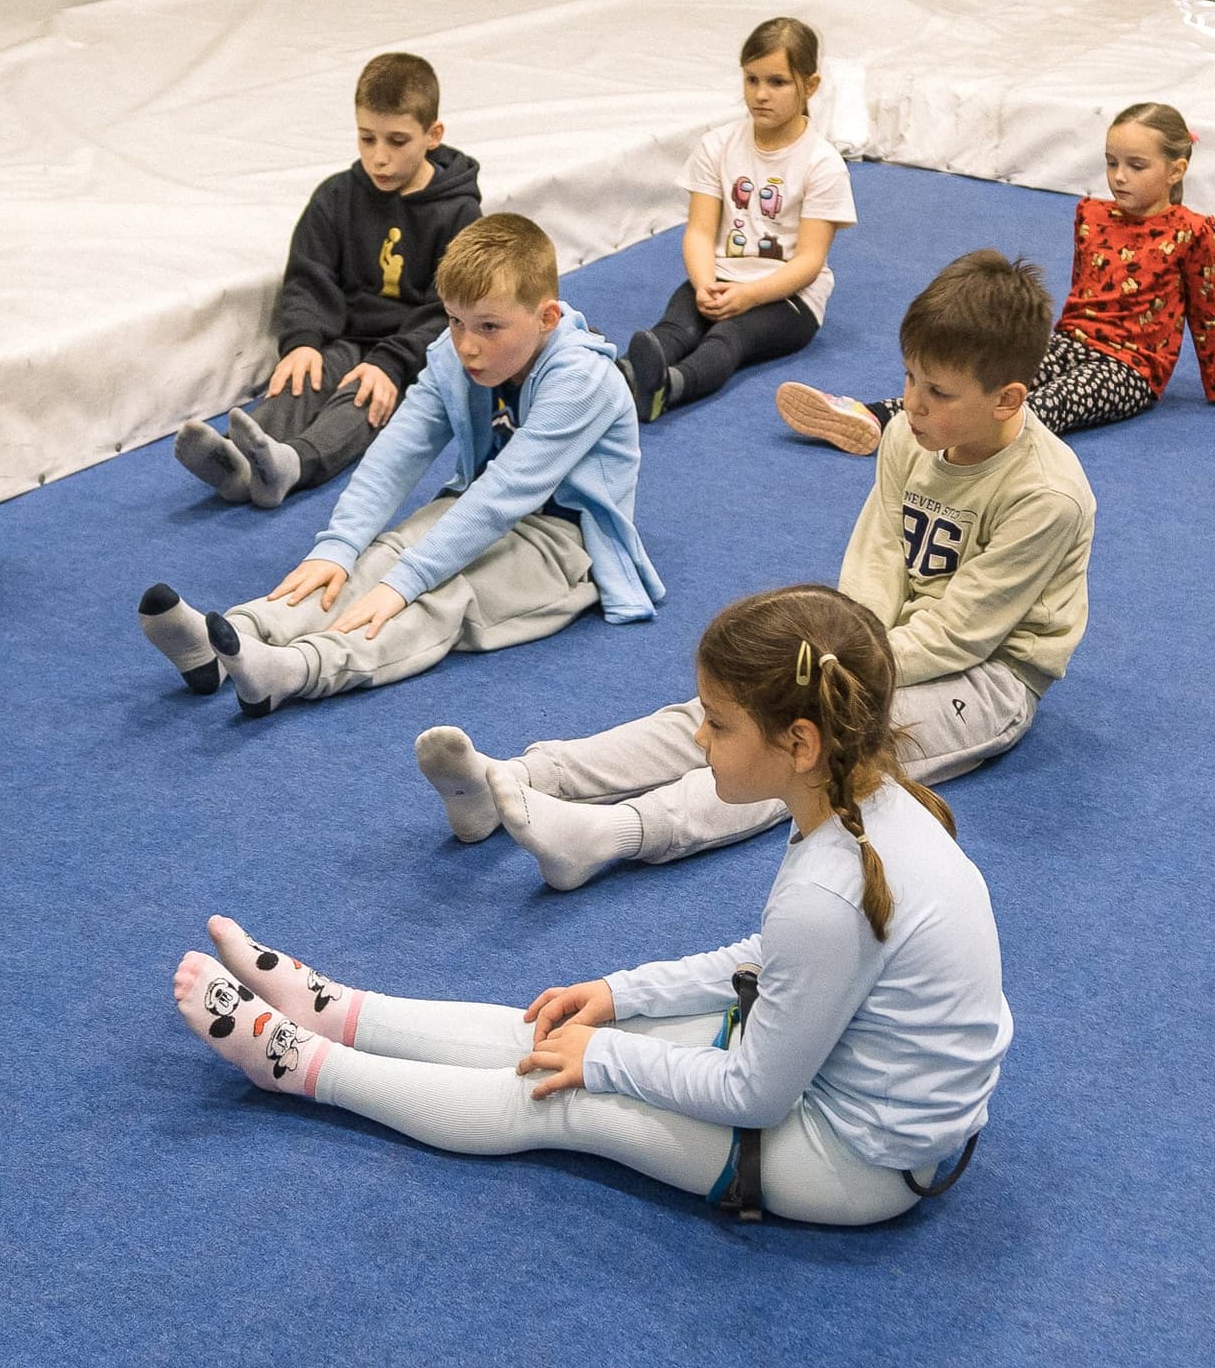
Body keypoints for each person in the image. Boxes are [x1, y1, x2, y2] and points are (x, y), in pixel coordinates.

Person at [171, 585, 1003, 1224]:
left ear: (800, 744)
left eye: (716, 724)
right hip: (847, 1085)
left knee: (560, 1092)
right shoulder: (870, 804)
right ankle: (335, 1010)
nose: (697, 741)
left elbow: (756, 1096)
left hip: (857, 1159)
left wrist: (601, 1057)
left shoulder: (832, 887)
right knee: (560, 1035)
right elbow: (773, 960)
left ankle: (299, 1065)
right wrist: (622, 995)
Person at [424, 251, 1094, 890]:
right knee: (729, 707)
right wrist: (837, 647)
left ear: (1007, 401)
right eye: (909, 377)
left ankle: (611, 835)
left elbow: (960, 636)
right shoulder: (907, 436)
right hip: (878, 644)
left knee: (804, 753)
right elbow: (877, 560)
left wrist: (840, 671)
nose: (911, 404)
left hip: (988, 679)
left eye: (938, 392)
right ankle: (520, 777)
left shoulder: (1046, 495)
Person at [135, 212, 656, 712]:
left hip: (564, 544)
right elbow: (395, 454)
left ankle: (293, 670)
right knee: (376, 558)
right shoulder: (453, 356)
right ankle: (230, 638)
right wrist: (338, 548)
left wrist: (406, 583)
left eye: (489, 327)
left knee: (439, 596)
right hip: (472, 507)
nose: (468, 346)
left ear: (546, 318)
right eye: (455, 321)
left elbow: (504, 494)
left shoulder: (581, 381)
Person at [777, 101, 1215, 450]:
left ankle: (947, 436)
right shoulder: (1091, 215)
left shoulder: (1192, 233)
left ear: (1175, 170)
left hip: (1132, 369)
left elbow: (1208, 313)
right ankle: (869, 414)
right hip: (1071, 341)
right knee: (988, 373)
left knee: (1049, 403)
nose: (1119, 176)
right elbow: (1081, 298)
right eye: (1111, 163)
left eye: (1136, 165)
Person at [172, 50, 484, 511]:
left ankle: (292, 464)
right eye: (367, 138)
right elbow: (308, 276)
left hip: (411, 358)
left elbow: (450, 310)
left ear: (433, 135)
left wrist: (394, 363)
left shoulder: (459, 214)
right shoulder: (336, 197)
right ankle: (239, 459)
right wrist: (303, 341)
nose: (379, 158)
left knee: (362, 401)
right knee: (303, 379)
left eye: (397, 141)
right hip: (347, 338)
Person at [618, 16, 857, 422]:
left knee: (730, 336)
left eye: (777, 82)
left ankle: (669, 388)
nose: (760, 95)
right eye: (751, 80)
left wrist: (750, 295)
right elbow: (699, 230)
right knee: (677, 328)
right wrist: (703, 282)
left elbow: (809, 261)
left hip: (789, 299)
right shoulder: (717, 146)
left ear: (810, 86)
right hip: (721, 279)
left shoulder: (823, 164)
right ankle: (620, 376)